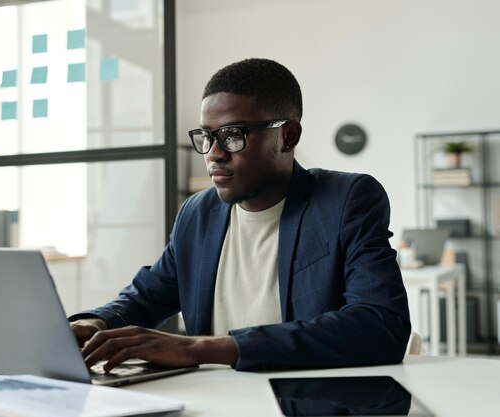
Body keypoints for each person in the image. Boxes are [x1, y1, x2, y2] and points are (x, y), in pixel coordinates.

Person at [69, 58, 411, 372]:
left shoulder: (344, 201)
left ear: (287, 136)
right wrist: (97, 323)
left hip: (307, 403)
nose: (214, 154)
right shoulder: (197, 213)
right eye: (207, 136)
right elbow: (146, 297)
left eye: (233, 135)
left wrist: (199, 348)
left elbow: (381, 325)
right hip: (214, 403)